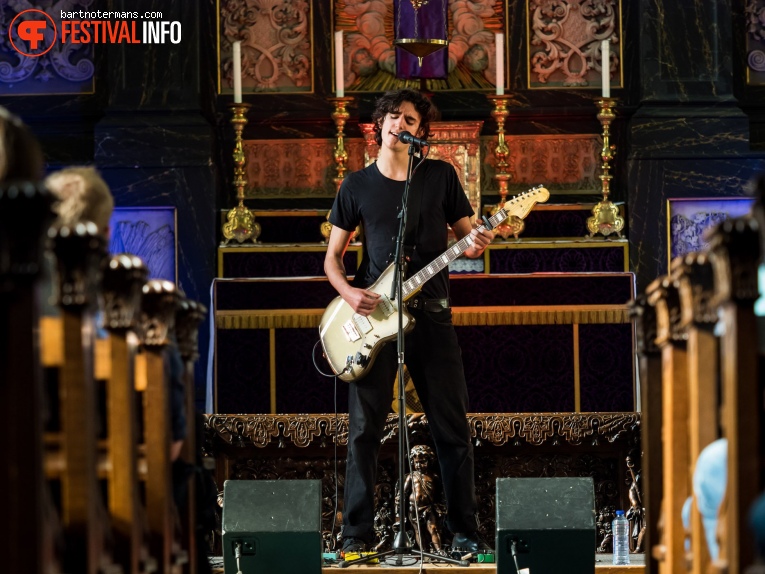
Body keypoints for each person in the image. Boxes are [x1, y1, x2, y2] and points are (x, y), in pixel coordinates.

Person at [324, 88, 494, 555]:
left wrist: (478, 240)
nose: (402, 124)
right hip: (375, 323)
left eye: (412, 120)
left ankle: (464, 533)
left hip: (432, 319)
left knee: (451, 427)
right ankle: (356, 536)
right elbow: (332, 260)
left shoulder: (439, 176)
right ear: (379, 124)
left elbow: (470, 240)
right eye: (395, 117)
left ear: (422, 132)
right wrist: (350, 292)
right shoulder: (356, 186)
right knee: (363, 431)